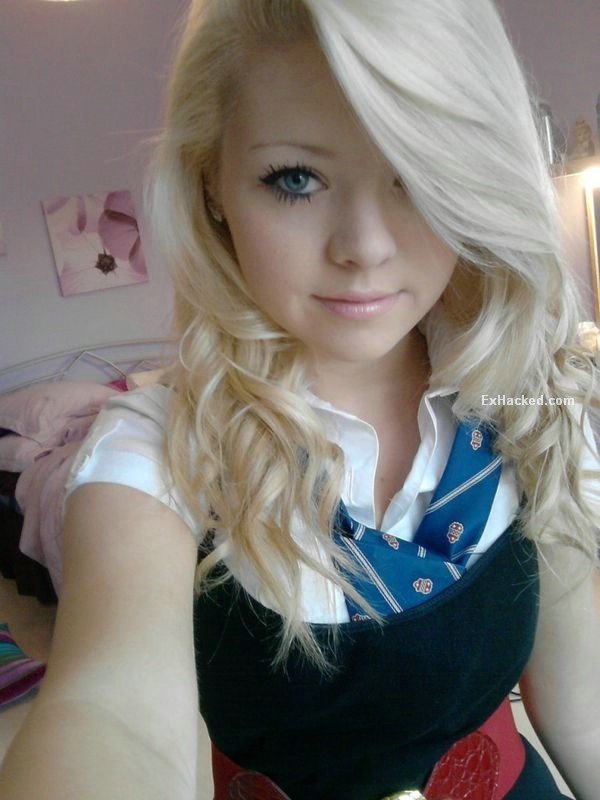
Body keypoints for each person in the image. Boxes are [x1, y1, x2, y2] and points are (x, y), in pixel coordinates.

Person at [1, 1, 599, 798]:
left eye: (418, 174)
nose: (365, 247)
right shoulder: (154, 452)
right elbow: (114, 715)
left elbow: (585, 709)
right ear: (212, 185)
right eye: (296, 179)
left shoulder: (528, 404)